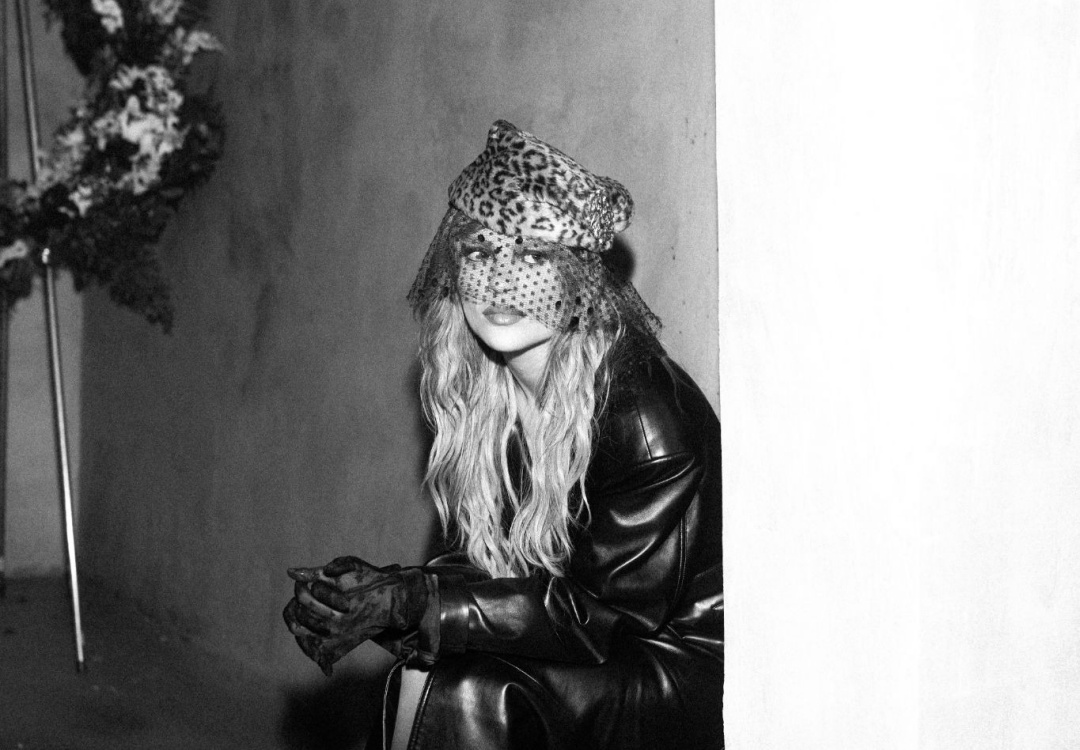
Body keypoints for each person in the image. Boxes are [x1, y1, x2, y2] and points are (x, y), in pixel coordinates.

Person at [283, 120, 724, 750]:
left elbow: (605, 616)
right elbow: (493, 574)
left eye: (535, 258)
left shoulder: (642, 416)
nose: (501, 281)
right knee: (424, 669)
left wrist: (419, 603)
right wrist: (377, 598)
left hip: (678, 665)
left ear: (579, 279)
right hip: (585, 637)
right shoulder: (485, 393)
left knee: (469, 691)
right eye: (480, 252)